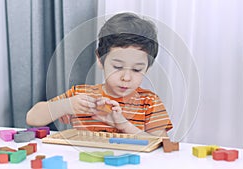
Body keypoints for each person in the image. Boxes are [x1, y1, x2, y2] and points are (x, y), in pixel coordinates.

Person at [26, 12, 173, 137]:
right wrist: (66, 105)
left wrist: (123, 124)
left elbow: (161, 144)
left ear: (147, 67)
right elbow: (32, 118)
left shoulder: (150, 102)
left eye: (136, 70)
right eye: (118, 67)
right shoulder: (81, 95)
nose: (126, 78)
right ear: (100, 60)